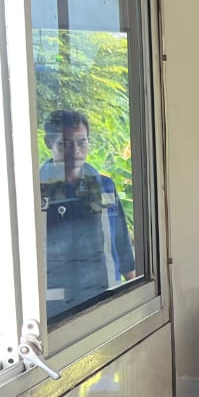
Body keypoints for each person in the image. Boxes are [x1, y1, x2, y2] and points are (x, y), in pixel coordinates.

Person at [39, 109, 135, 320]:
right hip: (57, 308)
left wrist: (134, 288)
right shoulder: (36, 191)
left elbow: (121, 242)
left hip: (105, 296)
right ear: (48, 143)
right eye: (65, 144)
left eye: (82, 143)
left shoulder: (103, 186)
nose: (75, 151)